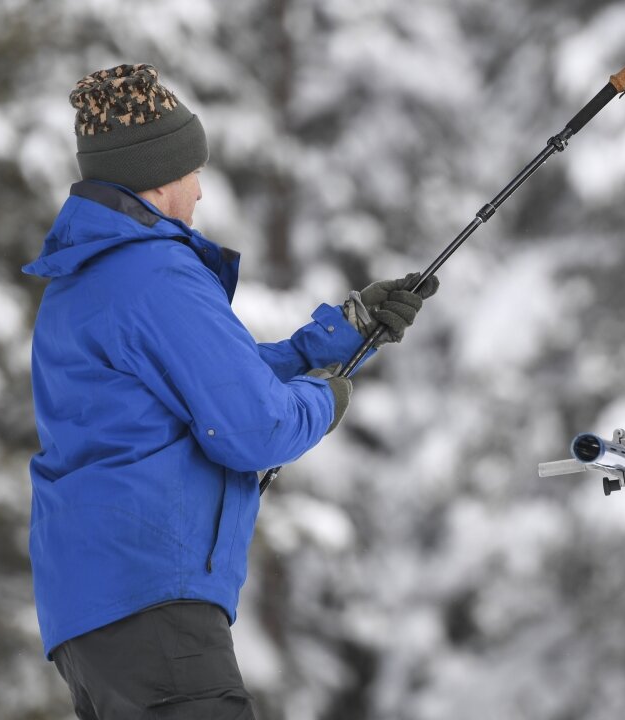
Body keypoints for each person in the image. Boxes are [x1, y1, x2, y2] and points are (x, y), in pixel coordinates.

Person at [23, 63, 437, 719]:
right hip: (154, 603)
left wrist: (326, 344)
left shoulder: (85, 282)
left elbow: (196, 392)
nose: (200, 192)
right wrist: (326, 402)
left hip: (94, 619)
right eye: (193, 173)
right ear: (158, 180)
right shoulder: (152, 270)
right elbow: (251, 429)